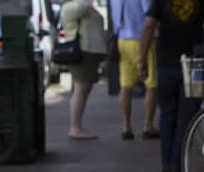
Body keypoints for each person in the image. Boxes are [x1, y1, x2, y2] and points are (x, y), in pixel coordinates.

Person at [137, 0, 204, 172]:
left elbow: (148, 26)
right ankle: (177, 163)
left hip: (166, 64)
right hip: (194, 64)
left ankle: (168, 164)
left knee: (167, 113)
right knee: (188, 116)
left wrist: (141, 60)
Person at [60, 0, 108, 140]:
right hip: (83, 52)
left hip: (87, 52)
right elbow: (83, 6)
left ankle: (76, 126)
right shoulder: (73, 7)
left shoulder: (78, 6)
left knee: (82, 89)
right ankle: (75, 127)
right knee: (80, 89)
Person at [112, 0, 158, 141]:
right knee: (152, 85)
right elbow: (150, 15)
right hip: (142, 40)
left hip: (122, 40)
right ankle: (148, 125)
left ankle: (126, 127)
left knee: (126, 85)